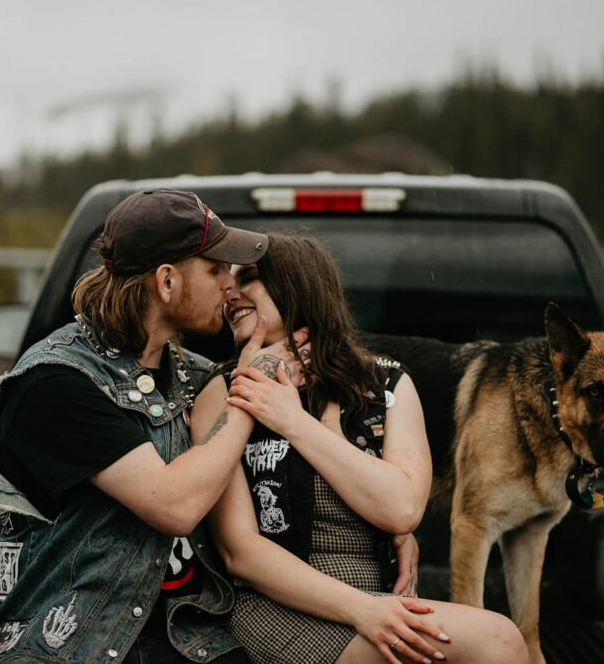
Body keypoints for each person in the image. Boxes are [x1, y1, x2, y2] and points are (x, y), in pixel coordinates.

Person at [0, 188, 288, 663]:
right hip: (68, 647)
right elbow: (175, 505)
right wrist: (246, 397)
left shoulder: (196, 376)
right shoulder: (55, 382)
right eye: (215, 269)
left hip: (189, 641)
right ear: (166, 282)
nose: (231, 284)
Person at [190, 234, 529, 664]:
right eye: (228, 279)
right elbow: (240, 552)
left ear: (299, 288)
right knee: (497, 639)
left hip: (378, 595)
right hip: (276, 605)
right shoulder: (223, 389)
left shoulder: (387, 384)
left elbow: (402, 508)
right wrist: (362, 609)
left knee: (501, 640)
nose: (230, 292)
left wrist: (293, 422)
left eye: (251, 277)